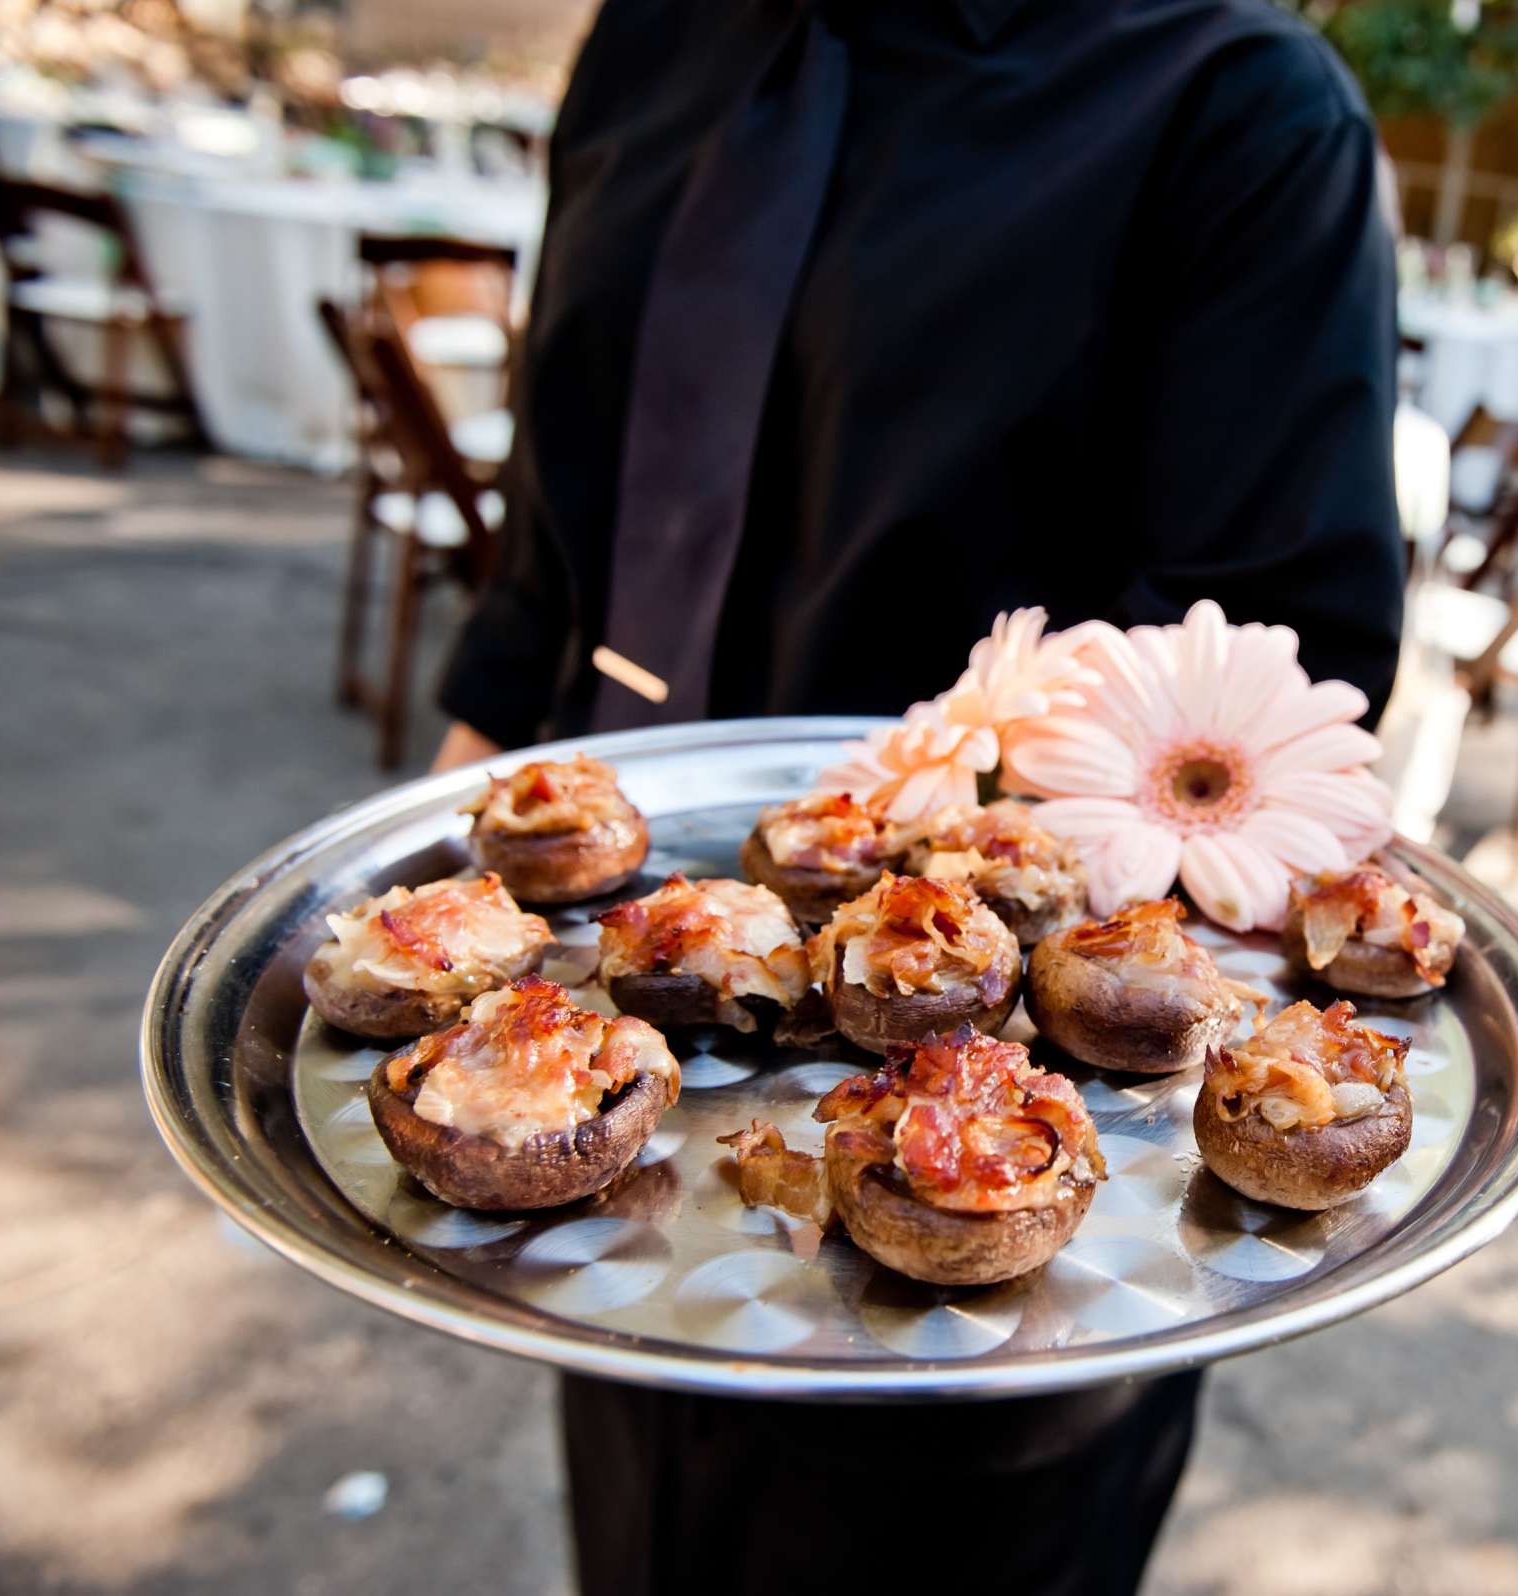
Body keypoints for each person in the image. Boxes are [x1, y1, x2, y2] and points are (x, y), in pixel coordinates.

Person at [428, 0, 1405, 1592]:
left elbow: (1289, 666)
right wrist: (451, 831)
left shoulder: (1238, 106)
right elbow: (568, 501)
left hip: (989, 1250)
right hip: (607, 1120)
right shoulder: (652, 41)